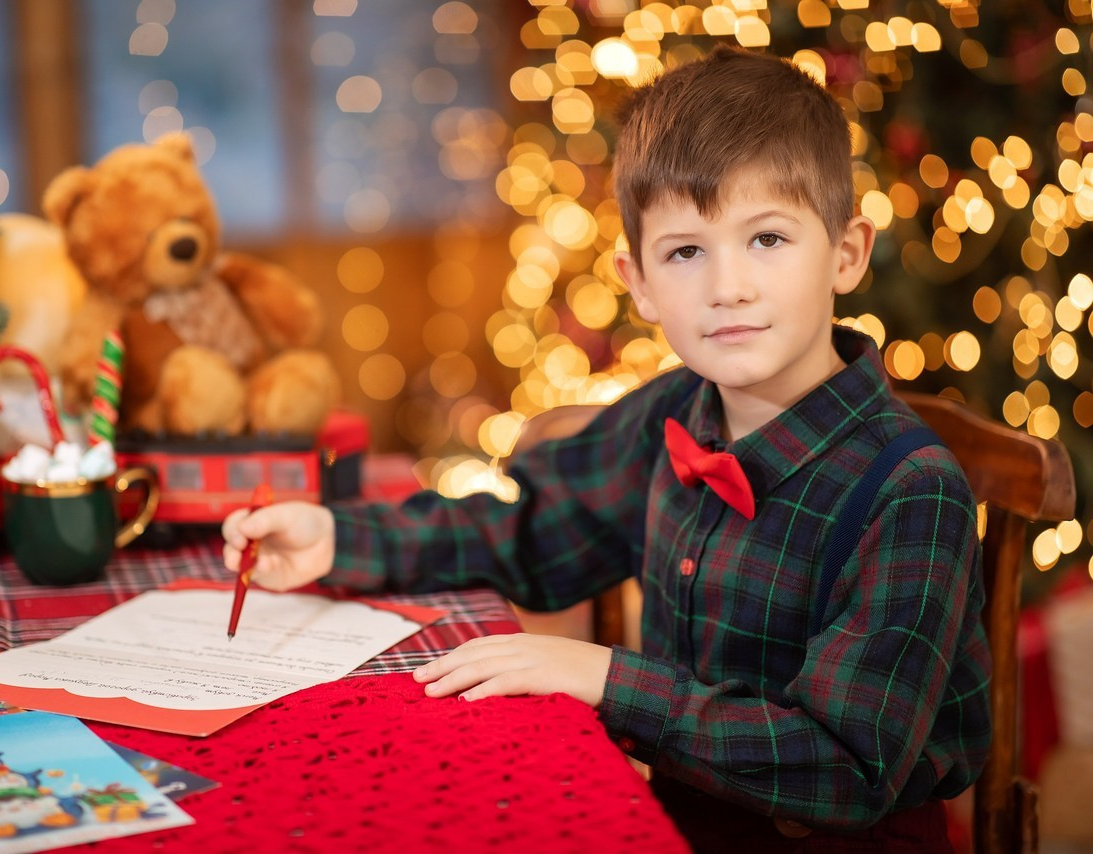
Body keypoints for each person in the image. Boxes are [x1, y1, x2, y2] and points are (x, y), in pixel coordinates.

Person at [222, 45, 990, 851]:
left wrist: (606, 678)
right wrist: (339, 537)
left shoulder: (911, 490)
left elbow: (845, 768)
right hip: (674, 824)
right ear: (640, 282)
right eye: (686, 251)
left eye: (767, 238)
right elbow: (528, 535)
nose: (728, 287)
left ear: (847, 252)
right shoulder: (671, 414)